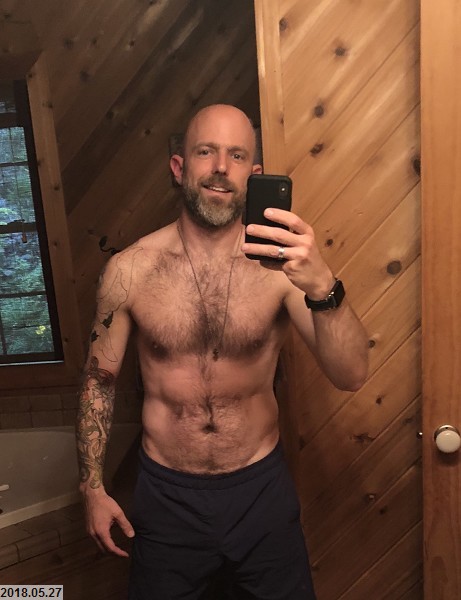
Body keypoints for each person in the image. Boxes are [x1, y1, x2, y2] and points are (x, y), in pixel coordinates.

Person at [76, 103, 369, 600]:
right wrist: (92, 489)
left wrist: (324, 285)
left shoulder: (283, 270)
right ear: (179, 167)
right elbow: (97, 383)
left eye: (236, 156)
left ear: (253, 174)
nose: (219, 167)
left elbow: (352, 374)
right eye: (205, 152)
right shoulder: (130, 271)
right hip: (167, 496)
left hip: (260, 491)